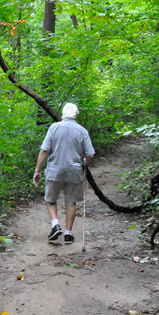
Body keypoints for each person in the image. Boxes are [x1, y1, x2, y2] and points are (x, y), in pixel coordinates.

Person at [33, 103, 95, 244]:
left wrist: (37, 170)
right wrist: (85, 163)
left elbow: (44, 150)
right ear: (76, 115)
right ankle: (68, 234)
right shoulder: (82, 131)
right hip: (74, 171)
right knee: (71, 201)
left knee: (50, 200)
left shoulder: (54, 128)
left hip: (55, 170)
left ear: (63, 115)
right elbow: (91, 154)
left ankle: (55, 225)